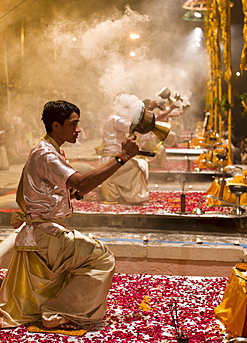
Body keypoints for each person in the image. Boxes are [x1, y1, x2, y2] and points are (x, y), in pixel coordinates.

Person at [0, 100, 139, 330]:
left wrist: (69, 194)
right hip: (46, 235)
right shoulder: (47, 154)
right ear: (56, 126)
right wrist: (121, 157)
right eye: (74, 124)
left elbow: (56, 189)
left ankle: (56, 306)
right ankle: (58, 312)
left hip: (42, 231)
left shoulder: (50, 149)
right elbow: (82, 183)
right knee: (102, 258)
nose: (79, 129)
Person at [99, 93, 149, 204]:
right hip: (112, 158)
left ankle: (128, 193)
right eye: (126, 107)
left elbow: (131, 131)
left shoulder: (115, 118)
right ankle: (134, 196)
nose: (128, 110)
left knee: (141, 163)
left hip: (115, 155)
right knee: (138, 166)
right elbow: (131, 126)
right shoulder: (115, 119)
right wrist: (145, 114)